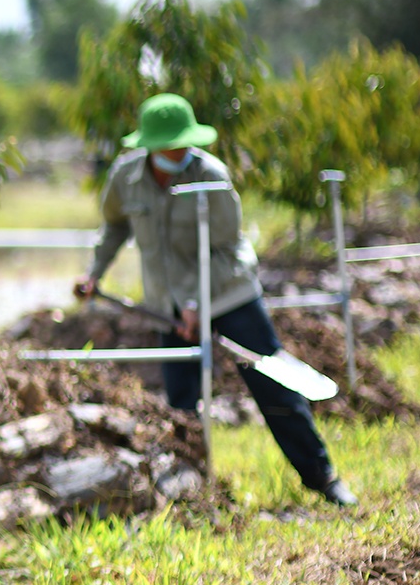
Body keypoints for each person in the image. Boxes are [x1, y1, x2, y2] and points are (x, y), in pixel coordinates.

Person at [75, 92, 356, 508]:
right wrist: (94, 273)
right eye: (170, 146)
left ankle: (323, 478)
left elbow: (227, 248)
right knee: (181, 403)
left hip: (229, 294)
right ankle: (193, 494)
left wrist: (197, 303)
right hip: (167, 307)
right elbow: (114, 227)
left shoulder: (212, 175)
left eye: (184, 143)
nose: (179, 152)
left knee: (274, 385)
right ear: (150, 146)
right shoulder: (126, 178)